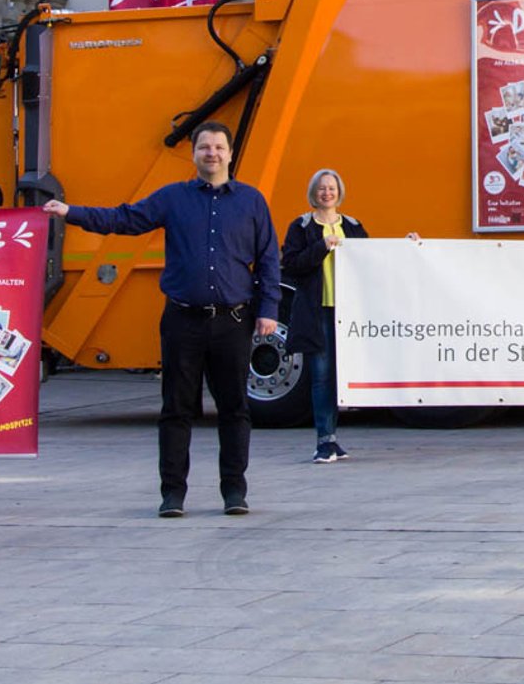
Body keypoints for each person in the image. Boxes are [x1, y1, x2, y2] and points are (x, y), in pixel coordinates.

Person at [45, 121, 281, 518]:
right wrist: (71, 213)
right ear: (193, 155)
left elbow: (269, 259)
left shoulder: (252, 202)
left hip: (233, 322)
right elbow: (125, 220)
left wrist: (268, 310)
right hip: (182, 321)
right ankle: (173, 494)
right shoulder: (172, 198)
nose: (212, 154)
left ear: (229, 153)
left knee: (235, 409)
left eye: (219, 147)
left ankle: (234, 492)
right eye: (204, 147)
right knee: (176, 408)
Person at [281, 168, 368, 464]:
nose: (326, 193)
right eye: (321, 188)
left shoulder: (353, 225)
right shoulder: (302, 226)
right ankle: (324, 441)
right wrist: (321, 247)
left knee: (339, 376)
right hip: (317, 309)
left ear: (339, 192)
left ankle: (333, 439)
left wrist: (410, 245)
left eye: (331, 188)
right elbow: (292, 264)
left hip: (347, 311)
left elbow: (374, 260)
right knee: (321, 375)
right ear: (313, 193)